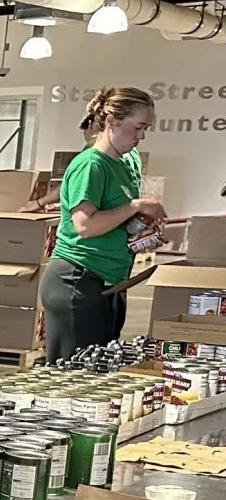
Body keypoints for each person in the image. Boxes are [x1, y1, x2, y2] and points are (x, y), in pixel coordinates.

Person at [40, 87, 161, 360]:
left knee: (100, 367)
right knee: (74, 371)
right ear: (111, 121)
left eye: (146, 129)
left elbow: (116, 218)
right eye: (138, 127)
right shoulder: (91, 165)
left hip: (110, 280)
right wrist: (135, 206)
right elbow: (86, 226)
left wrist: (142, 228)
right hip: (79, 279)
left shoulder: (126, 162)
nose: (141, 136)